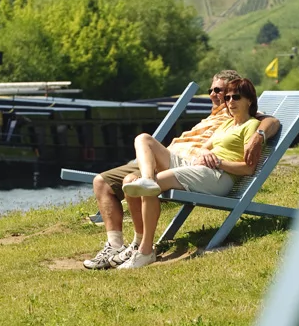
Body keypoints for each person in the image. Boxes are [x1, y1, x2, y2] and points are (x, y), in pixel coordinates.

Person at [83, 71, 280, 269]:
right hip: (191, 164)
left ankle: (145, 250)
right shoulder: (227, 121)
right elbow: (206, 145)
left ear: (248, 100)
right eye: (222, 95)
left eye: (231, 95)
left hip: (214, 174)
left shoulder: (250, 122)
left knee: (143, 184)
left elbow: (263, 136)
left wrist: (256, 137)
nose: (225, 99)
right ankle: (136, 244)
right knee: (141, 145)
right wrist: (204, 153)